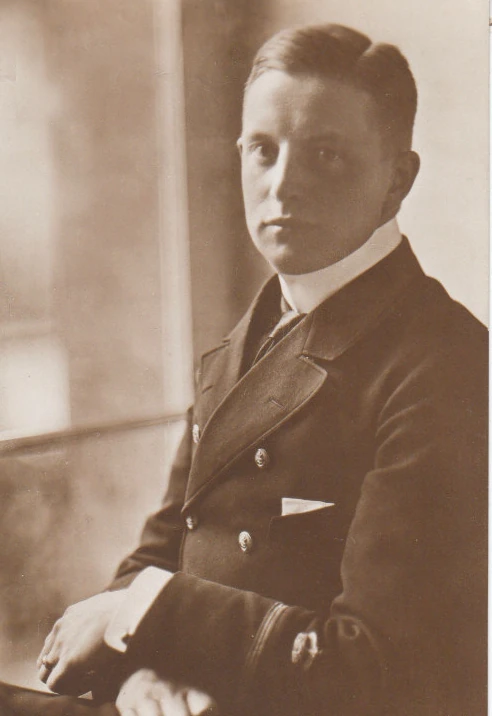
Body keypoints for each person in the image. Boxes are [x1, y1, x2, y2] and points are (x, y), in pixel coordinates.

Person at [22, 22, 487, 716]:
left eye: (326, 155)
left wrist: (145, 618)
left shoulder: (444, 363)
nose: (282, 186)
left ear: (397, 179)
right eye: (263, 150)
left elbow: (374, 670)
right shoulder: (251, 337)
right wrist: (141, 675)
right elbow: (158, 553)